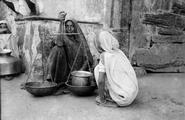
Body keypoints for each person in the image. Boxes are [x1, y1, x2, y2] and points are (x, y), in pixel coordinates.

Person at [94, 30, 138, 107]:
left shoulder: (104, 56)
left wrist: (102, 100)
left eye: (98, 43)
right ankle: (116, 93)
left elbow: (100, 81)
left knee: (97, 69)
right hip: (131, 94)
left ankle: (106, 98)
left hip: (122, 99)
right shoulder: (118, 52)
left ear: (101, 44)